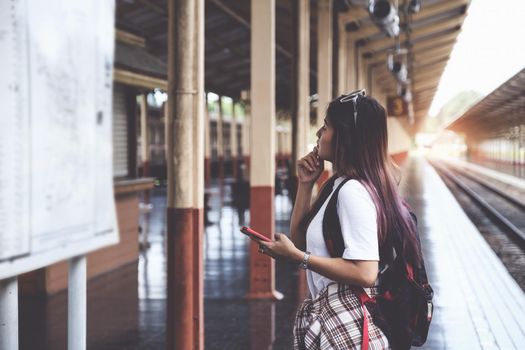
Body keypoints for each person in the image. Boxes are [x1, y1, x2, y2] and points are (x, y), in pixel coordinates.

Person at [251, 90, 423, 349]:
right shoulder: (338, 185)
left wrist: (299, 259)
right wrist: (305, 185)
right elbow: (300, 242)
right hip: (337, 319)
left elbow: (365, 272)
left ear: (346, 136)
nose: (319, 134)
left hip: (350, 323)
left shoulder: (354, 191)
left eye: (326, 126)